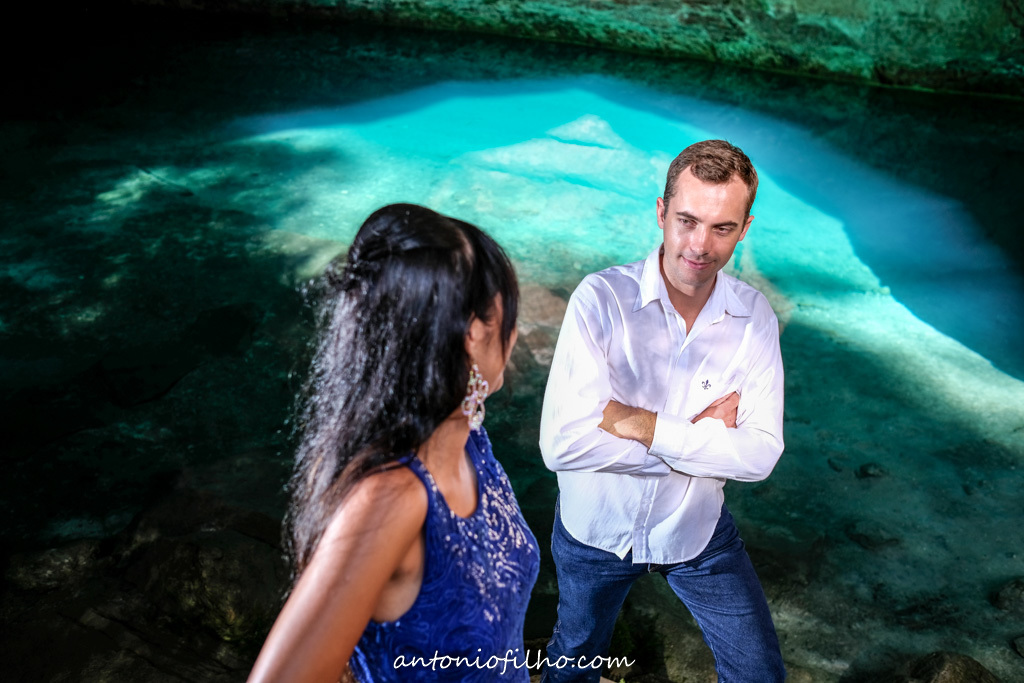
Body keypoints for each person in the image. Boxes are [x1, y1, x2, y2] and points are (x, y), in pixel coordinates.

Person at [248, 204, 539, 683]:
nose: (516, 328)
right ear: (472, 334)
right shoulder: (391, 499)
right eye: (508, 306)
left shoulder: (471, 439)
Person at [539, 140, 786, 682]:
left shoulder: (754, 319)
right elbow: (561, 446)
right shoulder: (601, 299)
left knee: (759, 674)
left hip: (696, 529)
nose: (700, 245)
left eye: (722, 228)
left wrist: (643, 426)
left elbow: (762, 454)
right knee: (575, 659)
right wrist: (698, 442)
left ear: (745, 229)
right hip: (595, 530)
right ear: (660, 212)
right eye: (687, 221)